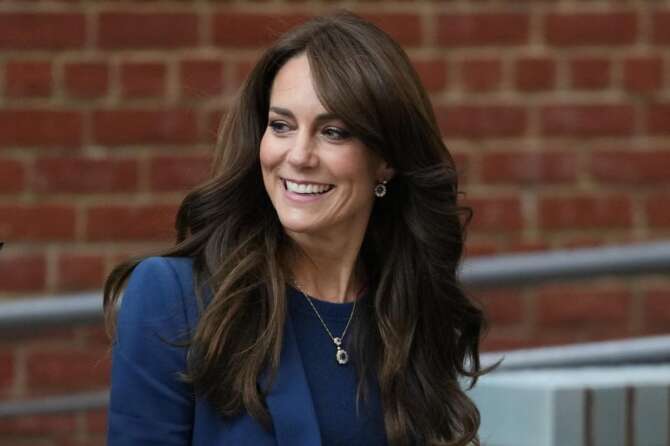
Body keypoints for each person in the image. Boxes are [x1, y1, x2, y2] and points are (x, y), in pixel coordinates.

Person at [104, 10, 490, 446]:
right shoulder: (173, 298)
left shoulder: (408, 312)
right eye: (281, 126)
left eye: (334, 132)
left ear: (386, 161)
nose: (299, 155)